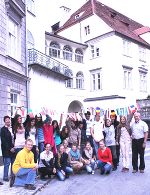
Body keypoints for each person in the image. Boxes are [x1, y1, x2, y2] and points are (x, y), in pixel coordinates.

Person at [1, 116, 15, 182]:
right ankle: (5, 177)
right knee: (7, 163)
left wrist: (14, 147)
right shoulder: (2, 129)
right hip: (6, 149)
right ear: (4, 121)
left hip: (13, 148)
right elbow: (4, 141)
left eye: (9, 120)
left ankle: (12, 176)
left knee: (13, 162)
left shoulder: (12, 128)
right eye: (6, 120)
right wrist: (10, 148)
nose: (8, 121)